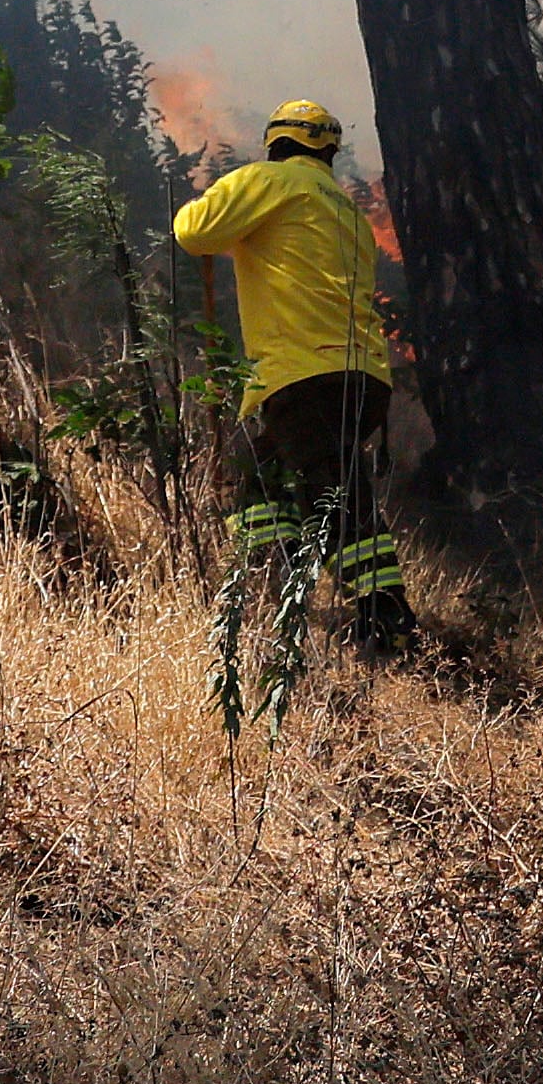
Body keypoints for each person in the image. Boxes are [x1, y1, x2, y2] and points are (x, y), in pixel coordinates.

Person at [167, 97, 413, 668]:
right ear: (327, 151)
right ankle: (274, 588)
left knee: (335, 494)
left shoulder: (270, 181)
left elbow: (195, 231)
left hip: (306, 373)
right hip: (362, 376)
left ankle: (388, 622)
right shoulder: (345, 209)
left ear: (275, 143)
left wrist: (207, 197)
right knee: (254, 475)